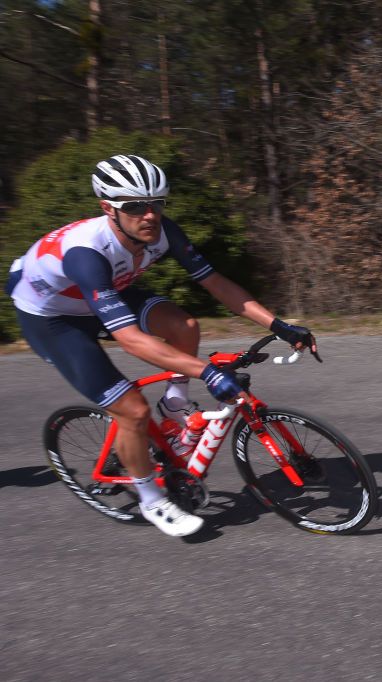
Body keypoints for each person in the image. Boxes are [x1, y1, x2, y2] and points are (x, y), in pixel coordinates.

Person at [6, 154, 320, 537]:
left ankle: (174, 405)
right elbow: (131, 341)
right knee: (132, 412)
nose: (149, 215)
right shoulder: (86, 253)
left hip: (103, 294)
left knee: (184, 325)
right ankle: (154, 502)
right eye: (135, 206)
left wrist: (280, 325)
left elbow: (217, 285)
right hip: (52, 317)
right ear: (108, 208)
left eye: (156, 204)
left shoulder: (162, 231)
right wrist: (207, 372)